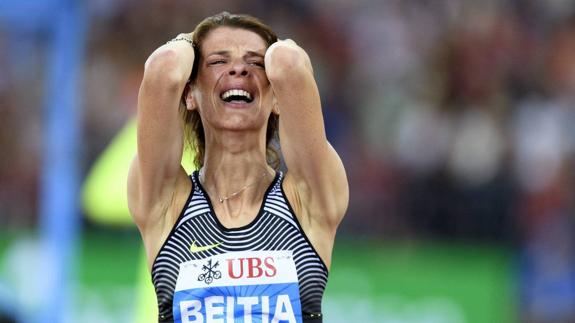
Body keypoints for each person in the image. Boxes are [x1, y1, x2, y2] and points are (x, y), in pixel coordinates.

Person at [127, 11, 348, 323]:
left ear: (276, 99)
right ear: (190, 94)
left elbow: (289, 63)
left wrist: (239, 52)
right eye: (218, 61)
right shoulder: (166, 204)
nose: (239, 69)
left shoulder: (307, 199)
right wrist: (193, 40)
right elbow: (163, 69)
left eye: (255, 63)